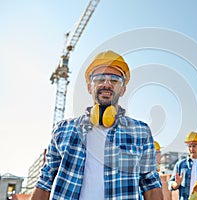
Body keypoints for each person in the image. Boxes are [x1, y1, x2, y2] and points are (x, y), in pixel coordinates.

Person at [31, 50, 163, 200]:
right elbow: (45, 182)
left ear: (123, 89)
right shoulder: (63, 130)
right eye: (99, 79)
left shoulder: (140, 132)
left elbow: (151, 186)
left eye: (114, 80)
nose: (106, 84)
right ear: (89, 87)